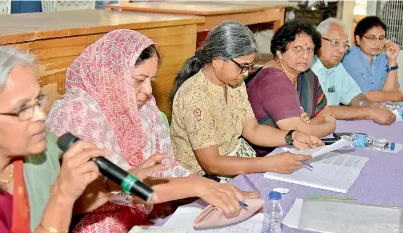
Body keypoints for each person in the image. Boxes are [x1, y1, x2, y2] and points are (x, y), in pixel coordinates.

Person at [46, 29, 257, 233]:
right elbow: (107, 191)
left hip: (147, 209)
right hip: (99, 219)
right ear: (110, 75)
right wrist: (197, 186)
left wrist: (206, 185)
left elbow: (168, 166)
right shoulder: (78, 113)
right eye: (139, 80)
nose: (148, 91)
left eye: (151, 81)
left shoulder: (145, 107)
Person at [0, 46, 108, 233]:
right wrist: (62, 195)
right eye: (22, 108)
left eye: (38, 100)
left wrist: (127, 182)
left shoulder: (32, 152)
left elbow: (83, 197)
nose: (40, 115)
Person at [169, 21, 323, 183]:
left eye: (249, 66)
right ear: (217, 60)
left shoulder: (235, 82)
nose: (246, 73)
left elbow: (253, 130)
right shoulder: (195, 95)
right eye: (242, 66)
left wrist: (292, 136)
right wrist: (269, 163)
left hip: (232, 161)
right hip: (200, 180)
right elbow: (211, 164)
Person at [245, 19, 336, 156]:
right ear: (280, 52)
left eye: (309, 49)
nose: (305, 56)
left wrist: (309, 123)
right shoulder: (273, 79)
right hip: (264, 156)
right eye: (297, 48)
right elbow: (301, 132)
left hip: (294, 150)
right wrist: (331, 125)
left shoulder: (308, 76)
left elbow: (325, 114)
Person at [311, 18, 396, 125]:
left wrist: (367, 104)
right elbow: (323, 110)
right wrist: (369, 112)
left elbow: (354, 96)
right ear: (317, 40)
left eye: (345, 45)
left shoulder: (337, 67)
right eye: (335, 42)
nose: (341, 50)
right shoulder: (307, 68)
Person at [342, 16, 402, 101]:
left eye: (381, 38)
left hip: (378, 110)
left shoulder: (384, 57)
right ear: (358, 39)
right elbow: (362, 96)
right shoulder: (350, 57)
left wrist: (392, 61)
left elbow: (392, 94)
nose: (377, 43)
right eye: (372, 38)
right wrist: (395, 96)